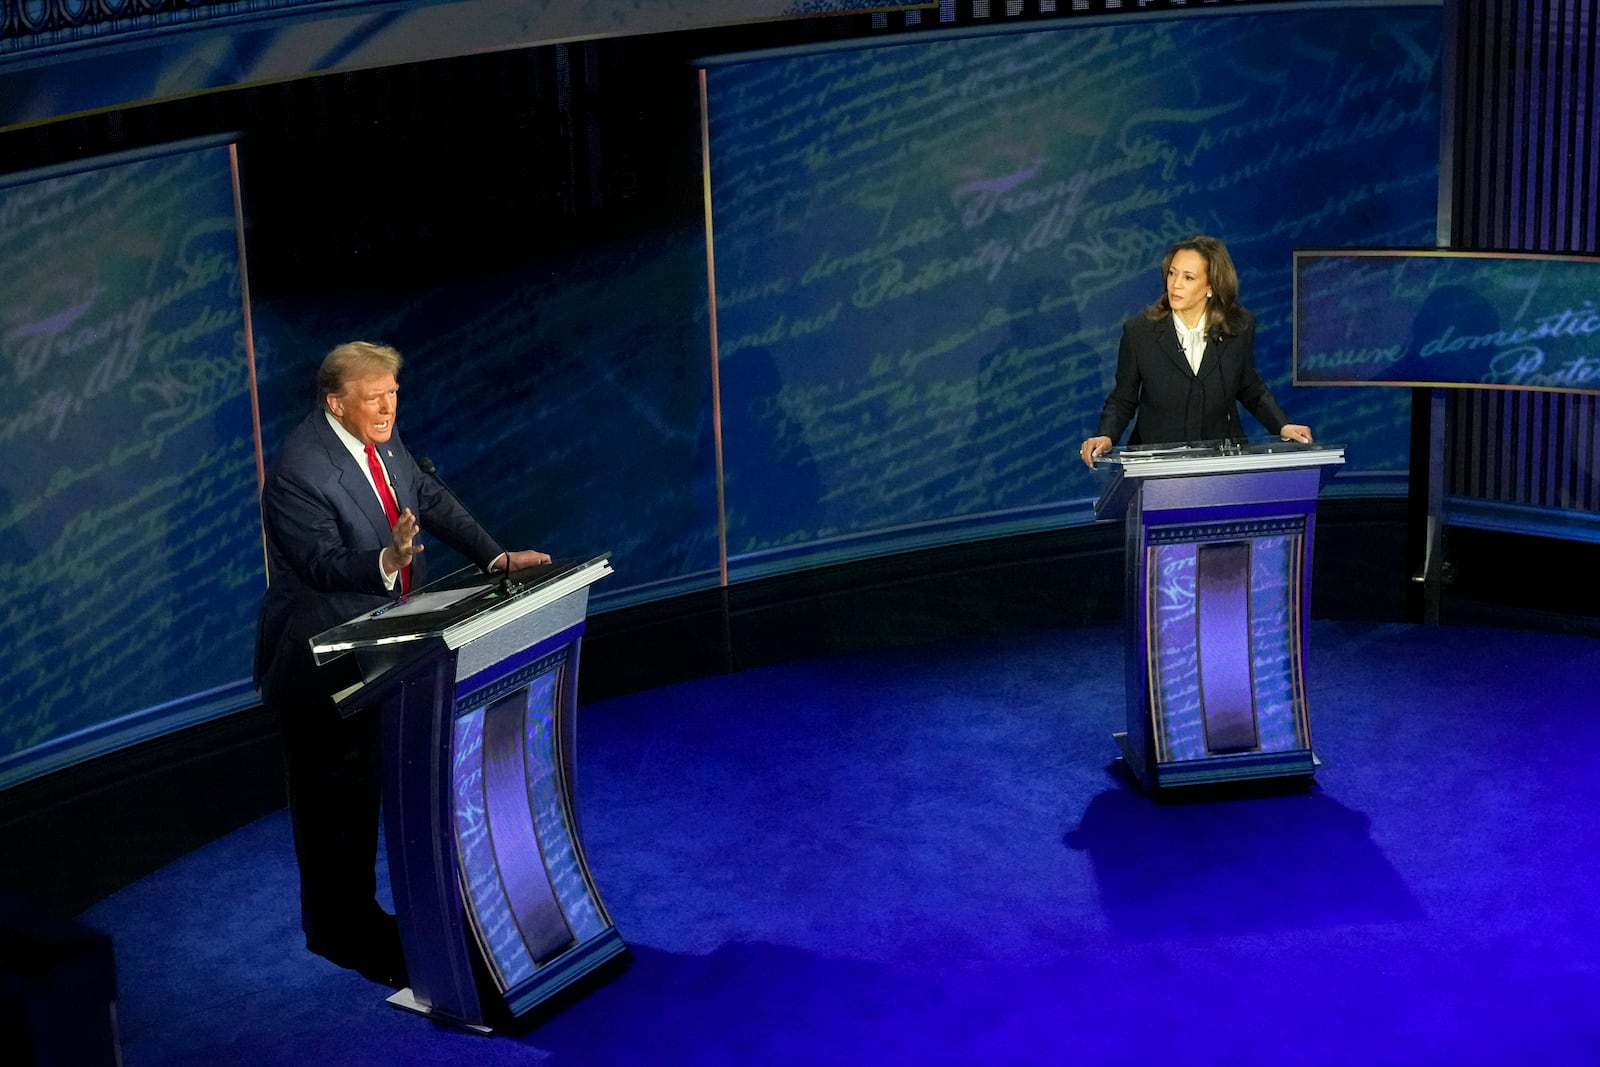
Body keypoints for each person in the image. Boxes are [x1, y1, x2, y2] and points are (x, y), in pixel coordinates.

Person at [253, 341, 550, 988]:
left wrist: (493, 557)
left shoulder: (380, 433)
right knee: (335, 800)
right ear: (336, 402)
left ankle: (373, 919)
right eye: (373, 396)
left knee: (374, 782)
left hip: (385, 643)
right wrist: (388, 562)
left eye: (393, 393)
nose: (388, 406)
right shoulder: (299, 472)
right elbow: (321, 564)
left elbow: (429, 497)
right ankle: (339, 928)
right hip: (319, 660)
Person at [1080, 235, 1313, 467]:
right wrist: (1106, 435)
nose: (1175, 284)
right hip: (1157, 462)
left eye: (1188, 277)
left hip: (1222, 459)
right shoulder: (1140, 331)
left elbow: (1249, 386)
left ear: (1211, 286)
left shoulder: (1237, 327)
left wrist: (1282, 425)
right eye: (1172, 273)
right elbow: (1123, 399)